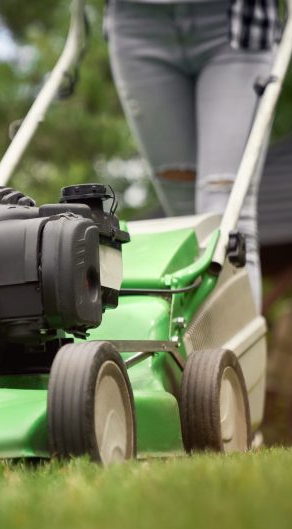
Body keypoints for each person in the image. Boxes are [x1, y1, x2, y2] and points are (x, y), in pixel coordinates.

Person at [105, 0, 280, 309]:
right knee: (186, 227)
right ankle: (192, 350)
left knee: (225, 221)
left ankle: (232, 353)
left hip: (237, 22)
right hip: (135, 23)